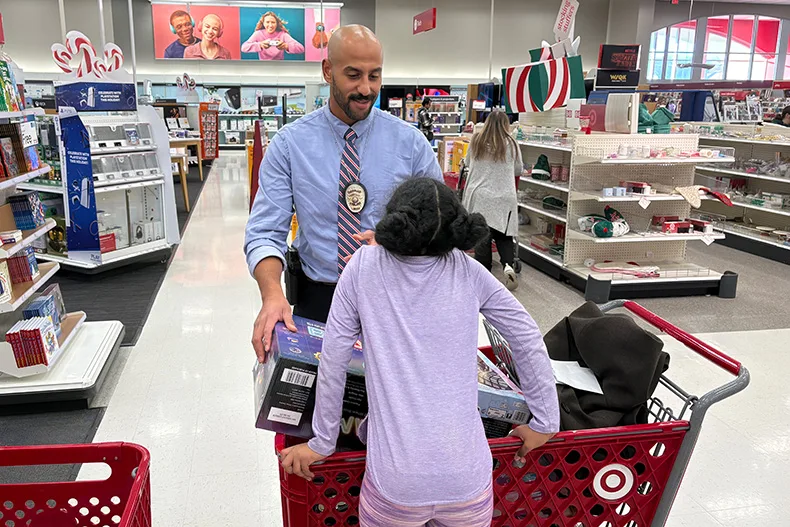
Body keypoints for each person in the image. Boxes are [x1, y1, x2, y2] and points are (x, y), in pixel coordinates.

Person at [279, 177, 560, 526]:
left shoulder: (363, 268)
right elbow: (526, 336)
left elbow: (334, 358)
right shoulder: (469, 271)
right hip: (467, 481)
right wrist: (546, 421)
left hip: (396, 484)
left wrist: (322, 441)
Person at [244, 25, 442, 363]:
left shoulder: (411, 145)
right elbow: (264, 232)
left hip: (396, 299)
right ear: (327, 71)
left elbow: (440, 222)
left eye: (374, 76)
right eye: (353, 75)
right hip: (318, 302)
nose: (366, 88)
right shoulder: (290, 146)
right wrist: (272, 293)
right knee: (319, 407)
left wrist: (399, 243)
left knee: (389, 409)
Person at [463, 109, 523, 291]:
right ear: (506, 125)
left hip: (481, 195)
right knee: (504, 236)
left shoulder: (477, 141)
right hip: (504, 196)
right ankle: (508, 266)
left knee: (483, 237)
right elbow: (518, 169)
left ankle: (484, 275)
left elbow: (467, 163)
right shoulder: (511, 143)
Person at [241, 11, 305, 60]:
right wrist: (260, 45)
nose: (270, 25)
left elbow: (301, 48)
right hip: (263, 67)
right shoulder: (258, 33)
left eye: (273, 22)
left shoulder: (283, 34)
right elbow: (244, 48)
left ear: (277, 24)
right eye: (267, 22)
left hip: (280, 66)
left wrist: (286, 46)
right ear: (263, 23)